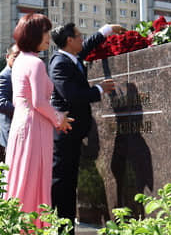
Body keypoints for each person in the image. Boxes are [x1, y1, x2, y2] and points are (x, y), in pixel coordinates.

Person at [48, 22, 120, 230]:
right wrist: (99, 89)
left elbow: (88, 45)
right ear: (69, 40)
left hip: (75, 131)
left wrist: (106, 30)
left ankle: (66, 225)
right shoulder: (59, 63)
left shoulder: (73, 56)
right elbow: (71, 96)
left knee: (69, 182)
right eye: (78, 36)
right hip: (65, 131)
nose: (82, 39)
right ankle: (56, 225)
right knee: (62, 182)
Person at [5, 14, 73, 219]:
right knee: (34, 178)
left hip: (22, 123)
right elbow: (39, 102)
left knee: (22, 178)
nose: (48, 37)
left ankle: (19, 226)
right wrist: (59, 119)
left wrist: (56, 118)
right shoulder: (35, 63)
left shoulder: (20, 61)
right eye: (45, 32)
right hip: (34, 125)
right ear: (33, 34)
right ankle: (32, 227)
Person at [0, 45, 19, 150]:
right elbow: (1, 104)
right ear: (7, 56)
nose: (19, 60)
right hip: (9, 135)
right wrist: (24, 111)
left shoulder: (20, 74)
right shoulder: (4, 77)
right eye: (16, 56)